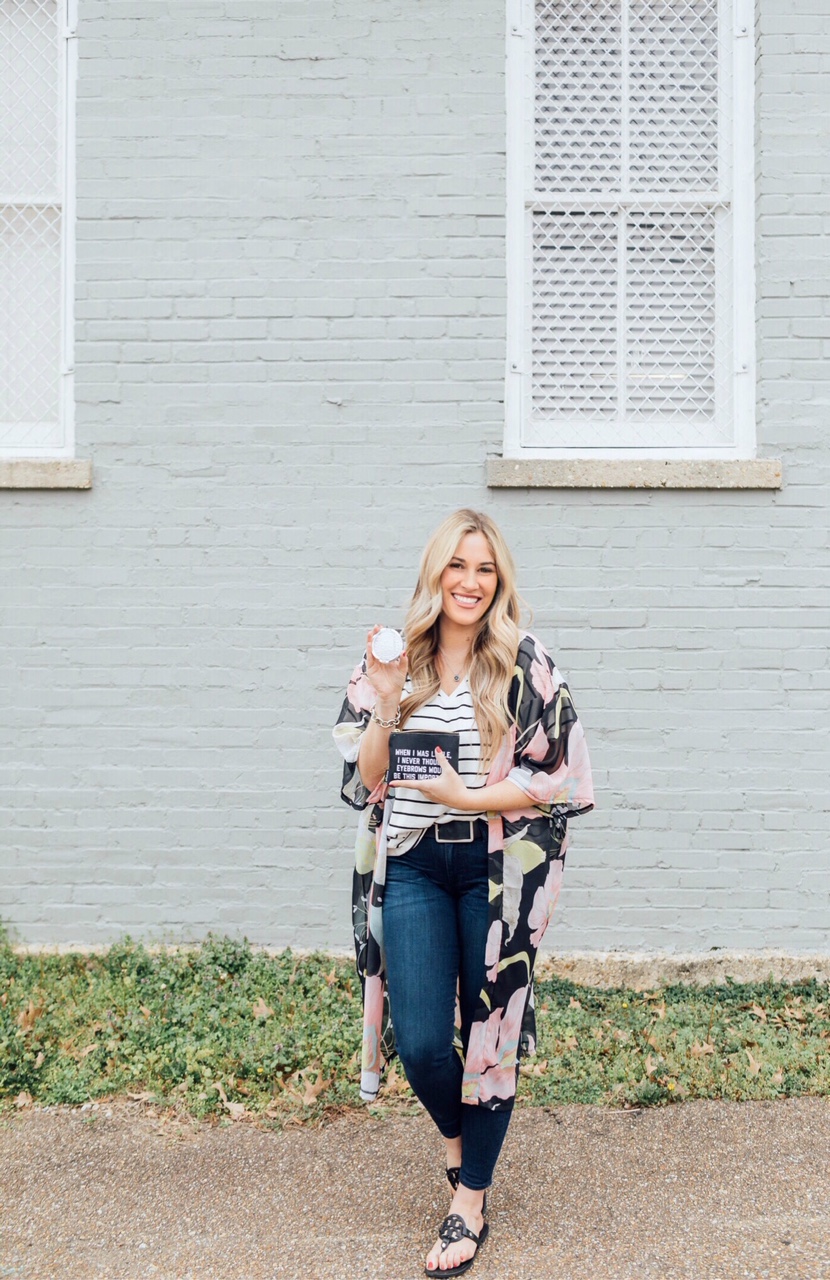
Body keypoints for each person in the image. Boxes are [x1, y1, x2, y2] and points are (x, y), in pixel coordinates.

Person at [333, 509, 594, 1276]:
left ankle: (469, 1201)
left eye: (486, 570)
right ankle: (461, 1150)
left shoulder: (526, 663)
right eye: (457, 566)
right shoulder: (395, 659)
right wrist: (386, 698)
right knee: (419, 1042)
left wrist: (467, 797)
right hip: (412, 864)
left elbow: (565, 778)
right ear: (434, 573)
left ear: (499, 581)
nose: (470, 583)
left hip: (491, 873)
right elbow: (362, 777)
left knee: (490, 1038)